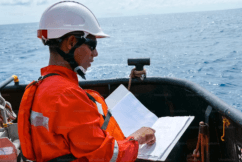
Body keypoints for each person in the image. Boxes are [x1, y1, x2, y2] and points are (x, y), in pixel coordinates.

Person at [18, 1, 156, 162]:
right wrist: (137, 138)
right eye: (92, 45)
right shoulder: (67, 95)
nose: (95, 53)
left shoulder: (40, 88)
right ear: (71, 43)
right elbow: (106, 155)